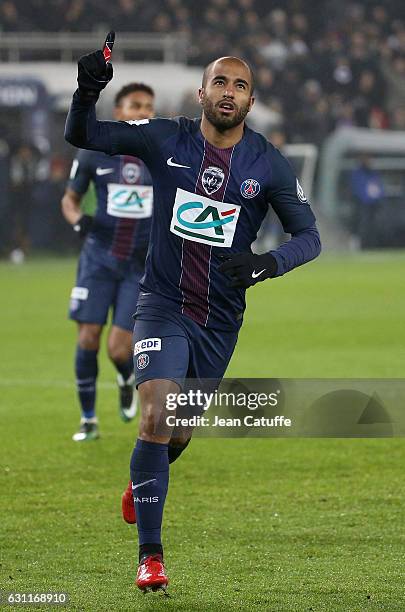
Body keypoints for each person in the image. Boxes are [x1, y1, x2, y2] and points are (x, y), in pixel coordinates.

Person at [65, 34, 321, 592]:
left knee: (175, 434)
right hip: (160, 304)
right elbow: (82, 134)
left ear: (250, 102)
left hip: (219, 321)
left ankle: (143, 477)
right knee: (156, 414)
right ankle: (150, 558)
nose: (229, 92)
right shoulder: (166, 138)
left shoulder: (268, 163)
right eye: (221, 82)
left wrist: (266, 265)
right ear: (201, 92)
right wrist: (88, 90)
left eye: (241, 86)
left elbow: (310, 237)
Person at [62, 81, 155, 441]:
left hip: (139, 265)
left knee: (120, 347)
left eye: (148, 105)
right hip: (99, 259)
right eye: (135, 105)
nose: (143, 111)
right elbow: (70, 199)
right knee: (88, 337)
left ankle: (127, 376)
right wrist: (77, 220)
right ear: (119, 112)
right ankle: (88, 420)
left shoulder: (161, 154)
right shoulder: (92, 152)